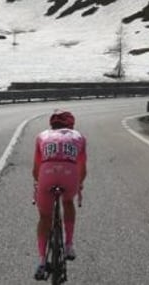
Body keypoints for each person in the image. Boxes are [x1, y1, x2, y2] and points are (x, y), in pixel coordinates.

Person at [32, 110, 87, 280]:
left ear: (51, 124)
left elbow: (35, 170)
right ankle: (69, 245)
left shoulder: (41, 136)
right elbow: (82, 169)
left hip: (47, 175)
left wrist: (38, 184)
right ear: (71, 124)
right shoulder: (79, 136)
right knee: (68, 202)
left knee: (44, 217)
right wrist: (79, 185)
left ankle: (41, 261)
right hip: (70, 176)